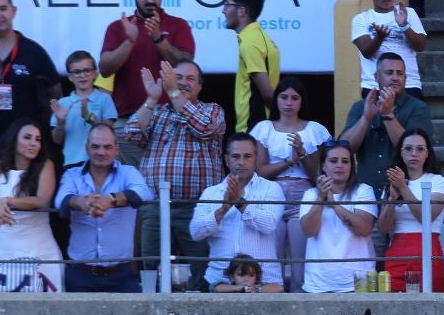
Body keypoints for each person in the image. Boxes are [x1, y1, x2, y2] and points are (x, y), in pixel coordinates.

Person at [120, 60, 226, 289]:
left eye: (190, 79)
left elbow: (204, 128)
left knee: (201, 264)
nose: (183, 83)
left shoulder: (213, 111)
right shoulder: (157, 112)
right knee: (150, 262)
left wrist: (173, 92)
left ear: (200, 86)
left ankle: (202, 313)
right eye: (178, 77)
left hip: (196, 206)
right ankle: (150, 310)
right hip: (157, 205)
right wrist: (151, 98)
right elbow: (131, 133)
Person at [99, 0, 196, 142]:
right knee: (128, 171)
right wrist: (129, 41)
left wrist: (159, 38)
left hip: (170, 118)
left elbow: (185, 64)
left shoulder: (178, 25)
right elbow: (105, 69)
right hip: (127, 119)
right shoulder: (117, 27)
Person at [251, 77, 330, 295]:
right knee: (270, 262)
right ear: (276, 100)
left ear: (301, 102)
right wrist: (289, 161)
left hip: (303, 196)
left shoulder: (315, 129)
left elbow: (319, 175)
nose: (289, 103)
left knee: (300, 262)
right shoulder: (264, 128)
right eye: (284, 97)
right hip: (272, 196)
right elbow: (261, 170)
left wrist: (303, 153)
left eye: (295, 98)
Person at [56, 124, 152, 293]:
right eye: (95, 147)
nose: (101, 152)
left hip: (122, 275)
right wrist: (82, 203)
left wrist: (111, 199)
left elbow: (145, 193)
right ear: (86, 148)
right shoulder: (72, 174)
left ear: (116, 149)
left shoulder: (128, 172)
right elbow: (60, 201)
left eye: (107, 147)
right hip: (80, 274)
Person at [0, 119, 61, 293]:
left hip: (39, 248)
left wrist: (8, 201)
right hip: (3, 248)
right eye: (27, 137)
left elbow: (42, 201)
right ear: (14, 139)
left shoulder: (45, 165)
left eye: (38, 139)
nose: (33, 143)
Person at [191, 133, 288, 293]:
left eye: (247, 156)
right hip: (220, 283)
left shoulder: (271, 189)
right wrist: (222, 210)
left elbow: (269, 225)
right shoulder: (211, 193)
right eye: (236, 156)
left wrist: (239, 203)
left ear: (256, 159)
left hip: (263, 282)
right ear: (226, 159)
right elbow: (195, 233)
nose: (242, 162)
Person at [340, 54, 433, 197]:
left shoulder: (418, 108)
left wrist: (388, 115)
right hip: (364, 192)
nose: (395, 77)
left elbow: (413, 149)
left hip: (403, 191)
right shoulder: (360, 107)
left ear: (406, 78)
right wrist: (366, 118)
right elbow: (345, 149)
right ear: (377, 77)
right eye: (389, 73)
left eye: (400, 73)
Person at [298, 141, 378, 294]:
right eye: (333, 161)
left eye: (345, 161)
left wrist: (334, 204)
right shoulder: (310, 194)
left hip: (358, 283)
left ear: (351, 166)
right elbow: (309, 231)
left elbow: (364, 228)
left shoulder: (364, 190)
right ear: (323, 166)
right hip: (318, 284)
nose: (340, 165)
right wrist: (321, 198)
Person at [378, 129, 444, 292]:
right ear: (401, 153)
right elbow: (383, 228)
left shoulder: (438, 181)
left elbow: (426, 218)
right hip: (397, 251)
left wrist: (403, 187)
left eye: (420, 149)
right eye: (408, 149)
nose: (414, 153)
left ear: (427, 154)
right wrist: (391, 199)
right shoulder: (392, 183)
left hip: (428, 249)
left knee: (432, 307)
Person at [0, 0, 57, 131]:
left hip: (23, 140)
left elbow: (55, 92)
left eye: (3, 8)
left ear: (13, 11)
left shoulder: (34, 51)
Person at [351, 0, 429, 99]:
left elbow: (420, 46)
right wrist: (379, 37)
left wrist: (404, 26)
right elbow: (367, 52)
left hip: (408, 85)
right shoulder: (361, 19)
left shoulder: (408, 13)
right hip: (374, 86)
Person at [222, 0, 280, 133]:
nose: (223, 10)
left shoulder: (250, 43)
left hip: (254, 129)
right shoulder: (259, 37)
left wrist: (281, 123)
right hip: (260, 127)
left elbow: (267, 92)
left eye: (227, 5)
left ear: (241, 11)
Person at [48, 51, 117, 169]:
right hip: (72, 164)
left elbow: (110, 132)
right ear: (69, 76)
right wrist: (60, 123)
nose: (82, 75)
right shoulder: (62, 103)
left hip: (101, 161)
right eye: (77, 72)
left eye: (87, 70)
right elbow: (57, 140)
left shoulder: (104, 99)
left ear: (95, 73)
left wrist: (89, 118)